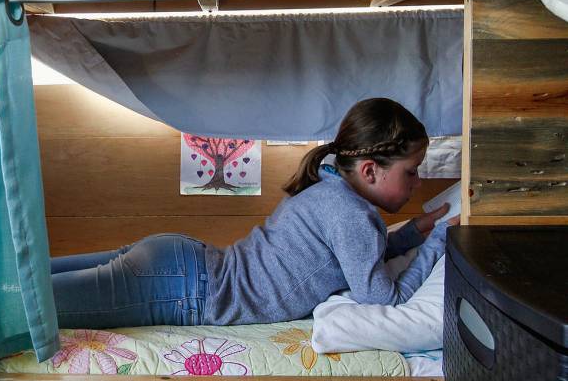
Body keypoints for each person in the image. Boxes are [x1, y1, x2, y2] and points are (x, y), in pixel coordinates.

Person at [50, 97, 458, 329]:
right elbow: (384, 298)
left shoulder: (330, 188)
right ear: (370, 170)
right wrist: (440, 242)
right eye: (412, 171)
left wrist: (414, 233)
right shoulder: (353, 215)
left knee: (31, 280)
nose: (417, 182)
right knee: (29, 307)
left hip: (179, 265)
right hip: (183, 288)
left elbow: (359, 260)